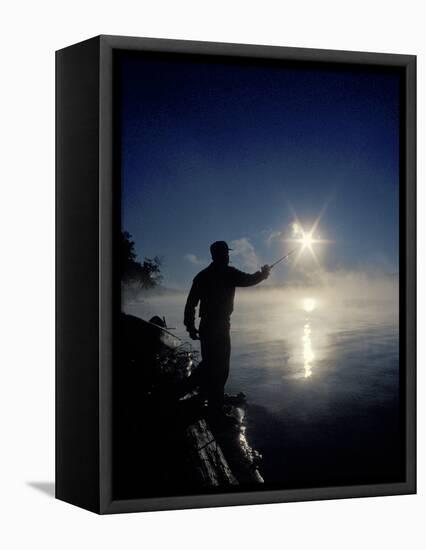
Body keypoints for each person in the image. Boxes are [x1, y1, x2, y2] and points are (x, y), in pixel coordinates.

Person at [184, 241, 270, 415]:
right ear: (222, 255)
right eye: (226, 254)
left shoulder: (202, 275)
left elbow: (190, 304)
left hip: (206, 326)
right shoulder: (229, 273)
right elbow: (249, 279)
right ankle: (212, 404)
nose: (228, 256)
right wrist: (263, 273)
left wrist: (191, 327)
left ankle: (204, 396)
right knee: (221, 367)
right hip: (221, 326)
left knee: (209, 363)